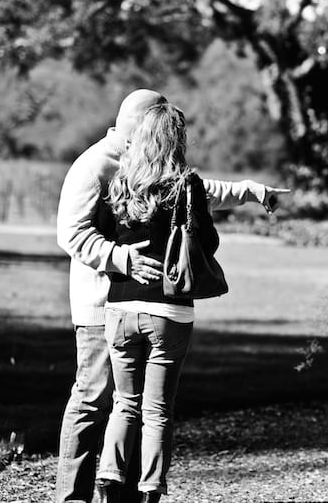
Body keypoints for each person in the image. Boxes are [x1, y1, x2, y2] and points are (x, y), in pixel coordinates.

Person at [55, 89, 287, 503]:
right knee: (93, 400)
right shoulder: (95, 165)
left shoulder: (142, 160)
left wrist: (249, 190)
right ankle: (71, 497)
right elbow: (71, 233)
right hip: (98, 304)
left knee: (129, 405)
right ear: (143, 122)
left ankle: (120, 495)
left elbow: (196, 190)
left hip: (126, 307)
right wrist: (120, 258)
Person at [94, 103, 215, 502]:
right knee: (157, 411)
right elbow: (207, 243)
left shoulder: (123, 181)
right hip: (168, 310)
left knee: (123, 404)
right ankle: (149, 489)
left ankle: (109, 477)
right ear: (176, 139)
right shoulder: (187, 184)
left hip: (120, 310)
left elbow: (108, 236)